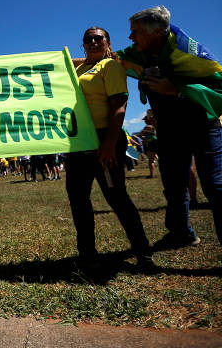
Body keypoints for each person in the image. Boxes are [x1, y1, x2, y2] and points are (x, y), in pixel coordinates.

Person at [117, 5, 222, 278]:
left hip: (203, 124)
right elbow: (110, 59)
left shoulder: (188, 52)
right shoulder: (141, 52)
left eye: (135, 32)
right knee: (174, 184)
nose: (130, 37)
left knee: (216, 186)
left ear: (158, 31)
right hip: (170, 129)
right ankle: (181, 233)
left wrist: (175, 89)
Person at [67, 27, 152, 270]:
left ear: (108, 42)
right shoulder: (79, 68)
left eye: (98, 38)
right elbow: (62, 63)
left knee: (117, 197)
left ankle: (143, 251)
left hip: (105, 138)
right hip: (78, 140)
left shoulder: (111, 66)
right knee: (78, 199)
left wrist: (109, 145)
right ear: (82, 44)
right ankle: (87, 254)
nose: (93, 42)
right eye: (88, 39)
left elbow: (119, 107)